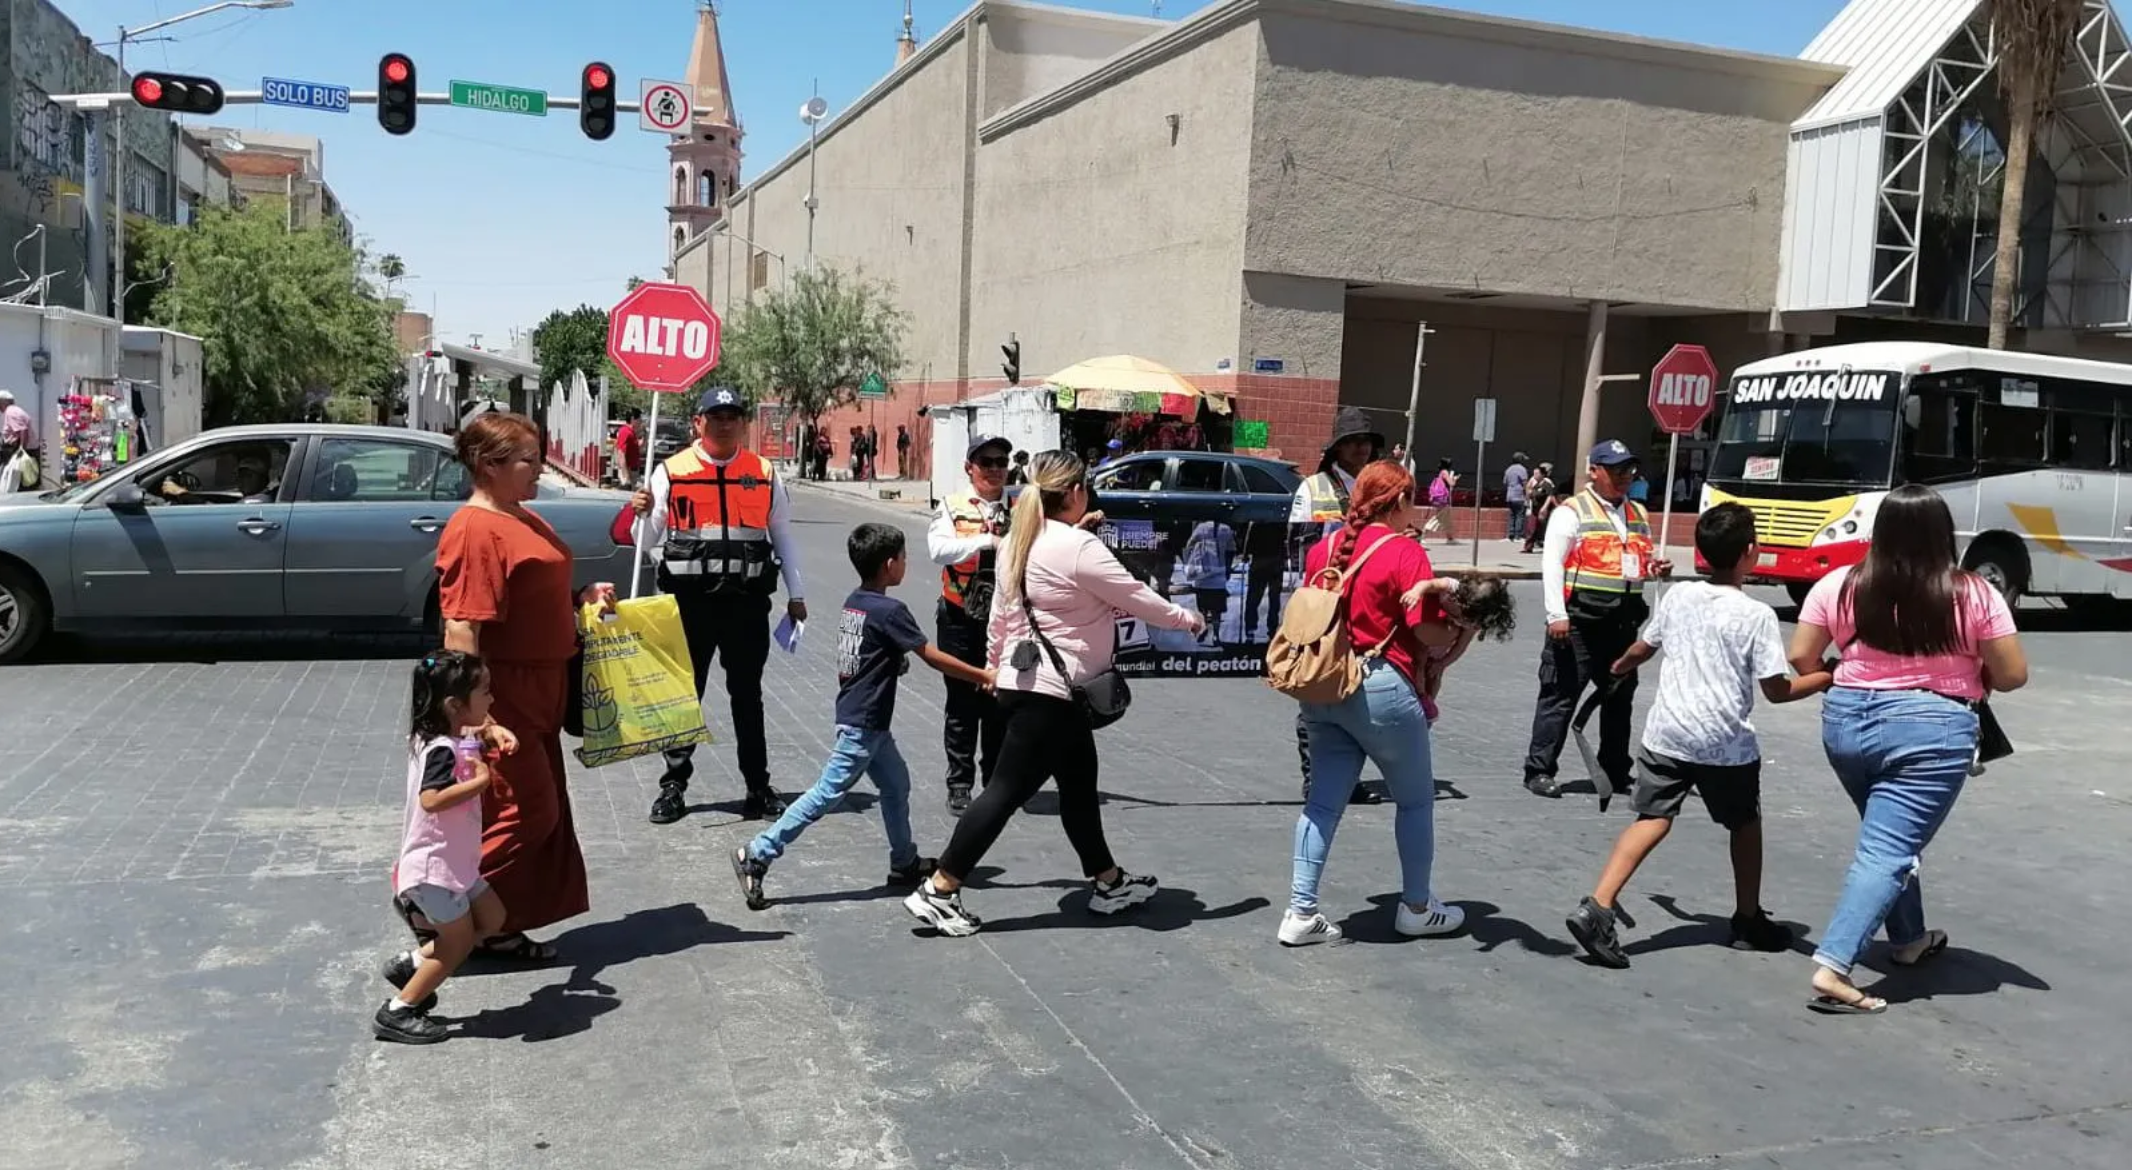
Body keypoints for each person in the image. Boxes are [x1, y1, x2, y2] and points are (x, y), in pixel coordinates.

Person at [904, 451, 1203, 937]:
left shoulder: (1018, 541)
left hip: (1031, 685)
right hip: (1053, 693)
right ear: (1076, 492)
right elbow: (1135, 596)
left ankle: (1108, 881)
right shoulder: (1077, 547)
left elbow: (999, 617)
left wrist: (994, 670)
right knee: (1004, 791)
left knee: (1080, 785)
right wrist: (1186, 618)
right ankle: (939, 888)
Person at [1787, 484, 2028, 1015]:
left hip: (1847, 722)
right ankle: (1835, 965)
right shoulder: (1973, 592)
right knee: (1888, 849)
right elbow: (2012, 675)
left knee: (1889, 835)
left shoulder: (1840, 585)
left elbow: (1804, 657)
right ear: (1944, 534)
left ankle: (1909, 937)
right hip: (1932, 730)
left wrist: (1855, 676)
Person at [1562, 504, 1829, 969]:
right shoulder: (1757, 615)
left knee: (1652, 818)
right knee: (1744, 824)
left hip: (1667, 734)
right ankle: (1747, 918)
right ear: (1750, 553)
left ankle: (1598, 906)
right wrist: (1828, 677)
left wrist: (1620, 667)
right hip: (1724, 743)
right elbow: (1778, 690)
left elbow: (1646, 646)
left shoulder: (1680, 596)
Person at [420, 411, 612, 965]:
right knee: (524, 812)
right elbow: (462, 628)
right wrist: (475, 718)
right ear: (488, 465)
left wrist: (580, 597)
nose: (540, 467)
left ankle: (495, 927)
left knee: (536, 808)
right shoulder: (475, 528)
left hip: (543, 689)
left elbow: (536, 587)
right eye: (528, 458)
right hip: (504, 696)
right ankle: (434, 911)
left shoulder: (519, 516)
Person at [732, 524, 994, 909]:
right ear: (890, 564)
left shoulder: (856, 601)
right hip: (864, 723)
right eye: (904, 558)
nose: (906, 564)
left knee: (896, 785)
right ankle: (757, 853)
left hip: (863, 718)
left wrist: (892, 663)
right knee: (825, 794)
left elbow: (866, 654)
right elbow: (931, 656)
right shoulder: (891, 610)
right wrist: (982, 674)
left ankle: (903, 862)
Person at [1279, 460, 1465, 947]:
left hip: (1323, 686)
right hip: (1381, 687)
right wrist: (1464, 628)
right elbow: (1426, 630)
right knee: (1415, 799)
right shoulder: (1404, 553)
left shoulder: (1324, 550)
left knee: (1322, 803)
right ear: (1399, 501)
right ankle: (1417, 906)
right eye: (1412, 499)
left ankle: (1301, 911)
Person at [630, 386, 808, 824]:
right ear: (698, 423)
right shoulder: (670, 472)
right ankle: (673, 786)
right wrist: (640, 511)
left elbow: (782, 534)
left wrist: (797, 594)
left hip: (746, 604)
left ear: (742, 423)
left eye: (732, 415)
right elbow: (644, 542)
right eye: (715, 416)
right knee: (685, 696)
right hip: (690, 605)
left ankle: (757, 786)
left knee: (748, 697)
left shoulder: (765, 473)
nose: (724, 423)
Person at [373, 651, 511, 1044]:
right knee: (459, 943)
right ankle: (399, 1011)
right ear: (454, 705)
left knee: (494, 917)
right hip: (435, 869)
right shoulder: (442, 751)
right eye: (485, 692)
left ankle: (414, 964)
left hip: (458, 866)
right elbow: (431, 799)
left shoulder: (437, 737)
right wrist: (479, 783)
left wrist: (489, 733)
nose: (492, 700)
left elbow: (469, 734)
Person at [1522, 440, 1671, 799]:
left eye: (1629, 471)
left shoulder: (1637, 513)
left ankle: (1615, 770)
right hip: (1578, 623)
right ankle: (1539, 770)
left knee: (1619, 699)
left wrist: (1656, 568)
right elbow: (1552, 565)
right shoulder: (1572, 511)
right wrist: (1556, 614)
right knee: (1560, 695)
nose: (1624, 477)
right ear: (1594, 471)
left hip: (1623, 624)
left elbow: (1633, 563)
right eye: (1616, 470)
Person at [1287, 406, 1386, 805]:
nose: (1361, 448)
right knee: (1316, 692)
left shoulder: (1379, 488)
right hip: (1322, 605)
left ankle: (1346, 777)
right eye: (1353, 442)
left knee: (1355, 695)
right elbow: (1296, 551)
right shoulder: (1313, 488)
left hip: (1364, 605)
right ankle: (1316, 778)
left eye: (1366, 441)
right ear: (1337, 448)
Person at [927, 434, 1014, 815]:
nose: (995, 469)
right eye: (987, 462)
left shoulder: (1023, 507)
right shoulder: (952, 506)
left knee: (1000, 700)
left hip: (1007, 619)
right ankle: (959, 783)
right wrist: (986, 542)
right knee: (962, 704)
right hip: (961, 616)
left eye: (1001, 461)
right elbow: (938, 550)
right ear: (970, 468)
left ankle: (995, 781)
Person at [1399, 575, 1518, 725]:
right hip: (1426, 635)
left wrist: (1442, 663)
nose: (1461, 619)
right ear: (1461, 599)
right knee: (1419, 663)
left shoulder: (1475, 619)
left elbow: (1461, 646)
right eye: (1459, 614)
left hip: (1440, 649)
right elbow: (1429, 583)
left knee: (1435, 675)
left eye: (1465, 619)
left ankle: (1429, 701)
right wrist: (1417, 591)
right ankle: (1421, 697)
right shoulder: (1450, 588)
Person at [1182, 518, 1236, 644]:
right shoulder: (1226, 529)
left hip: (1202, 575)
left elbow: (1189, 545)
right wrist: (1228, 569)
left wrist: (1190, 564)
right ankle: (1216, 635)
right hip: (1219, 575)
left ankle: (1204, 626)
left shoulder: (1200, 528)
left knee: (1203, 608)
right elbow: (1231, 550)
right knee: (1217, 609)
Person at [0, 389, 36, 492]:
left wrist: (21, 449)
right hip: (17, 450)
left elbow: (22, 430)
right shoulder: (14, 410)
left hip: (17, 451)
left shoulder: (11, 411)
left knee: (15, 481)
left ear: (4, 401)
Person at [1521, 463, 1557, 553]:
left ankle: (1549, 546)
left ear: (1542, 475)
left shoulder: (1546, 484)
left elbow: (1550, 496)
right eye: (1534, 474)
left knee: (1544, 529)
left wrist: (1544, 508)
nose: (1534, 476)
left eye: (1537, 474)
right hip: (1534, 510)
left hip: (1543, 510)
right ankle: (1528, 547)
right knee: (1531, 528)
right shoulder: (1536, 484)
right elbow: (1530, 492)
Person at [1422, 458, 1459, 544]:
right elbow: (1451, 484)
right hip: (1442, 499)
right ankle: (1423, 533)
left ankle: (1450, 538)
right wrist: (1455, 479)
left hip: (1440, 498)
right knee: (1439, 518)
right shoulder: (1445, 472)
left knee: (1447, 519)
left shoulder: (1441, 472)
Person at [1502, 451, 1530, 541]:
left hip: (1510, 495)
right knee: (1519, 515)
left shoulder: (1508, 469)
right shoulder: (1522, 469)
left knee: (1512, 515)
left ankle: (1511, 534)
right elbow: (1525, 483)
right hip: (1519, 495)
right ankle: (1518, 535)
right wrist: (1527, 497)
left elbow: (1505, 482)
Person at [615, 407, 644, 489]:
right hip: (628, 470)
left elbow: (636, 448)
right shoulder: (625, 432)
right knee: (626, 495)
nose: (640, 421)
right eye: (639, 419)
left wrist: (645, 437)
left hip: (633, 470)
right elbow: (621, 453)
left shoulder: (631, 432)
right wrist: (626, 475)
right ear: (632, 419)